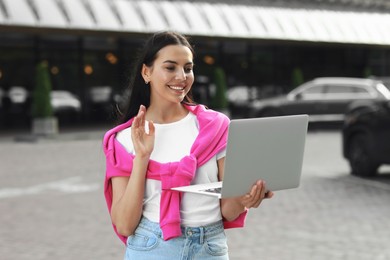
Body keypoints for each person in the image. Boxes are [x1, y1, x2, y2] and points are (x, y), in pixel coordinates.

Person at [103, 31, 273, 259]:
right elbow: (124, 225)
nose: (182, 76)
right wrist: (142, 157)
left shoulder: (215, 127)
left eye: (188, 68)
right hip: (152, 248)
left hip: (209, 248)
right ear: (147, 72)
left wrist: (245, 199)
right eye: (170, 67)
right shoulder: (124, 139)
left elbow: (228, 211)